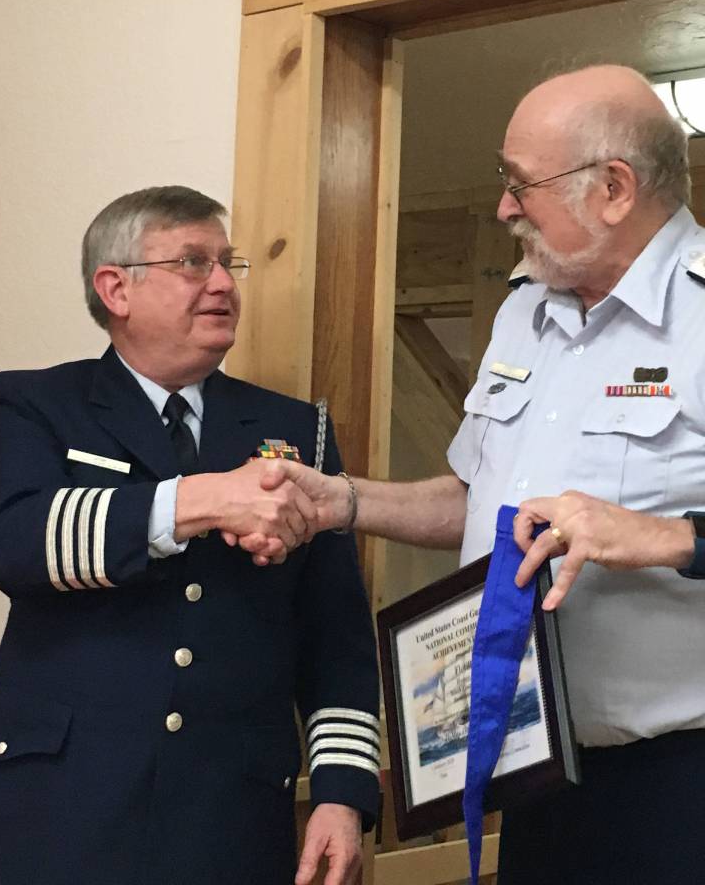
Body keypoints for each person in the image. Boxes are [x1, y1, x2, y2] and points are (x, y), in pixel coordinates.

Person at [257, 66, 705, 883]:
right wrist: (344, 503)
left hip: (680, 783)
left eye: (519, 182)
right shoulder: (525, 309)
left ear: (613, 188)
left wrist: (666, 536)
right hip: (537, 776)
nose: (503, 206)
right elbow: (476, 499)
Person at [0, 186, 380, 885]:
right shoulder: (36, 403)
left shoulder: (298, 433)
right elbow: (14, 542)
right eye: (192, 263)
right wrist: (201, 500)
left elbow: (337, 638)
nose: (220, 284)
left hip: (224, 820)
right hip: (48, 812)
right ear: (114, 287)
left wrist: (342, 794)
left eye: (229, 264)